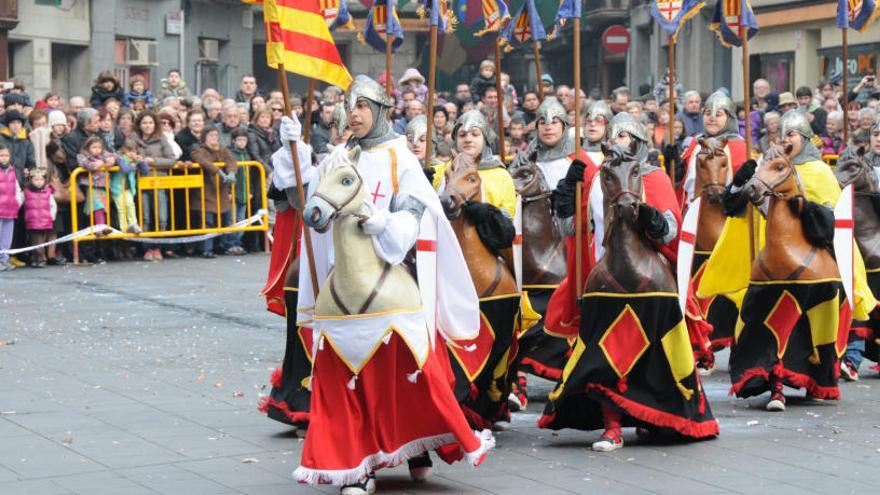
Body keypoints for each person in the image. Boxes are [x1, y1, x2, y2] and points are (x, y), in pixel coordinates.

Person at [273, 75, 494, 492]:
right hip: (344, 276)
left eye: (361, 106)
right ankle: (355, 462)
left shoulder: (400, 157)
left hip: (395, 266)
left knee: (412, 371)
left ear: (378, 110)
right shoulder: (340, 155)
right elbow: (310, 196)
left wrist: (386, 224)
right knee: (340, 378)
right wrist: (294, 151)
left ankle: (414, 444)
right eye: (348, 106)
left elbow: (415, 211)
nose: (352, 114)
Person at [541, 111, 717, 451]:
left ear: (636, 143)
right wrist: (565, 197)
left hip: (651, 271)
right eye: (614, 135)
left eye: (622, 136)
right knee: (600, 355)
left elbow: (671, 228)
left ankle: (656, 416)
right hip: (604, 269)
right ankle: (611, 424)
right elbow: (574, 232)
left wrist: (650, 217)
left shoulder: (654, 177)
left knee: (658, 357)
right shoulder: (593, 179)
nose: (614, 141)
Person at [133, 111, 177, 261]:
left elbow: (172, 159)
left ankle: (158, 248)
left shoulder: (161, 138)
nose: (147, 126)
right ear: (139, 125)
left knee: (161, 217)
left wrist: (153, 161)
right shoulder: (134, 139)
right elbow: (124, 154)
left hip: (159, 181)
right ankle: (146, 248)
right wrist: (135, 159)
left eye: (150, 123)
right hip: (142, 182)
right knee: (145, 218)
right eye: (144, 123)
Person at [190, 126, 238, 258]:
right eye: (211, 135)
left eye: (216, 135)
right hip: (205, 192)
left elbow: (231, 161)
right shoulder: (198, 150)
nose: (214, 138)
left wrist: (232, 172)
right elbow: (204, 162)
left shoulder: (222, 150)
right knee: (207, 221)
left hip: (220, 192)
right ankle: (206, 248)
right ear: (205, 137)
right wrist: (220, 172)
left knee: (224, 220)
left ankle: (222, 246)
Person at [76, 136, 115, 237]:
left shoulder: (103, 154)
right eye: (94, 147)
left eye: (99, 147)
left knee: (103, 207)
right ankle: (100, 228)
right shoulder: (82, 155)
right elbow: (88, 165)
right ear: (88, 147)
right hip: (92, 184)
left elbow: (113, 157)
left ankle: (101, 227)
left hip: (103, 184)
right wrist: (102, 163)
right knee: (97, 206)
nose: (97, 150)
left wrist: (109, 161)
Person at [112, 139, 147, 234]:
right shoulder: (120, 159)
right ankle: (123, 228)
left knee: (130, 205)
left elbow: (145, 172)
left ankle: (133, 225)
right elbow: (125, 169)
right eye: (129, 151)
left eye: (134, 151)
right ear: (124, 150)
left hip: (128, 188)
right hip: (118, 188)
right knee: (121, 208)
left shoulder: (134, 160)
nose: (131, 153)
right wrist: (134, 164)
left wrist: (142, 161)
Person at [0, 145, 23, 271]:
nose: (4, 158)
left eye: (6, 155)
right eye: (1, 155)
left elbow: (17, 189)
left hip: (10, 210)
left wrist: (17, 202)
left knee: (7, 236)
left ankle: (4, 258)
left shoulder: (12, 171)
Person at [0, 110, 36, 184]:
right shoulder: (1, 139)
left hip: (21, 181)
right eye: (13, 123)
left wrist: (28, 171)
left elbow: (32, 163)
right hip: (3, 181)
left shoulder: (26, 142)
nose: (16, 125)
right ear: (8, 124)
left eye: (18, 123)